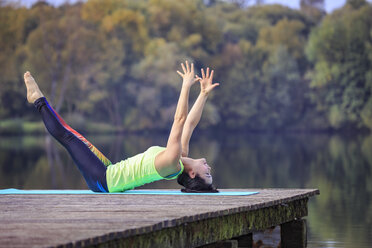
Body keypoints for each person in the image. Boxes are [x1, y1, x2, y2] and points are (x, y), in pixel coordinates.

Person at [23, 61, 219, 193]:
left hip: (104, 181)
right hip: (109, 172)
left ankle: (37, 100)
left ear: (192, 174)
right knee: (72, 136)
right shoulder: (180, 156)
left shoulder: (171, 161)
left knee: (67, 136)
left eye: (207, 172)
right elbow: (190, 124)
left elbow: (180, 119)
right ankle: (38, 100)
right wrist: (203, 94)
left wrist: (185, 86)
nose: (208, 166)